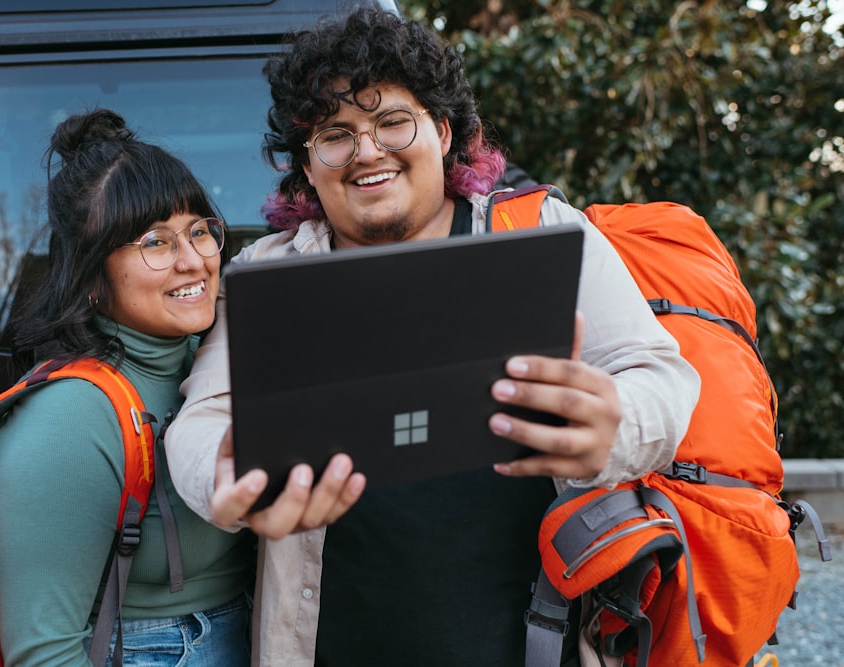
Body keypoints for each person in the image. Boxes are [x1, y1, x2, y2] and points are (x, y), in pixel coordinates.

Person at [166, 8, 701, 666]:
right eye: (335, 134)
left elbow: (661, 377)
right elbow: (202, 421)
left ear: (443, 132)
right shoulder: (267, 272)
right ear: (307, 164)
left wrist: (612, 426)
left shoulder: (538, 233)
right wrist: (232, 478)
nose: (366, 150)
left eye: (392, 121)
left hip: (531, 645)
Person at [0, 108, 255, 666]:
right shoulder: (69, 420)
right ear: (90, 277)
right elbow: (44, 652)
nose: (194, 261)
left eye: (200, 231)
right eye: (156, 242)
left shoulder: (215, 365)